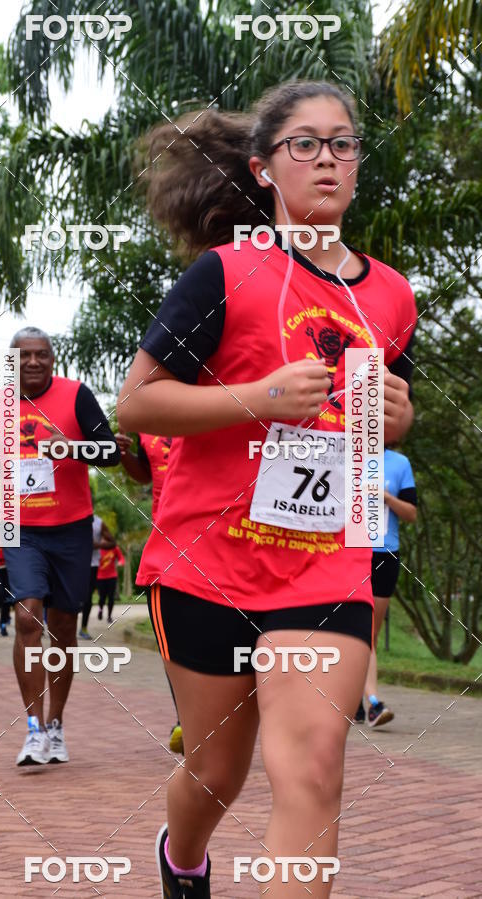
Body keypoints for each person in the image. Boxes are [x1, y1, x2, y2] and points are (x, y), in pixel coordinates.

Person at [117, 81, 416, 898]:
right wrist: (258, 397)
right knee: (216, 772)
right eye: (305, 144)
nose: (328, 159)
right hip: (209, 563)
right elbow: (137, 403)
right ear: (263, 168)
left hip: (326, 566)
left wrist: (397, 415)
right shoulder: (224, 273)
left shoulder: (390, 295)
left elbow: (381, 420)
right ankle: (182, 857)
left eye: (343, 143)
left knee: (314, 765)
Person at [0, 326, 120, 766]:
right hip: (22, 529)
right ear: (11, 362)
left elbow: (109, 452)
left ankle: (56, 725)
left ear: (53, 359)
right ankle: (33, 730)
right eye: (24, 355)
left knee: (64, 628)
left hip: (71, 529)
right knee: (27, 615)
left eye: (41, 354)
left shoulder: (76, 395)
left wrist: (74, 448)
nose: (33, 362)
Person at [115, 432, 183, 754]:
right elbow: (145, 472)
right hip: (168, 542)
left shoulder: (219, 411)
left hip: (222, 537)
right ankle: (186, 719)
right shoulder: (147, 425)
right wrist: (124, 454)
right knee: (175, 638)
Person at [355, 446, 417, 727]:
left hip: (385, 555)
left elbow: (411, 514)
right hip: (349, 552)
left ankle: (360, 699)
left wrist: (387, 497)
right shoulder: (347, 454)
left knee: (370, 633)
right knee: (358, 630)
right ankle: (373, 703)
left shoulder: (400, 463)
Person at [78, 514, 116, 640]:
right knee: (72, 598)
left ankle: (83, 628)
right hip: (74, 563)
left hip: (92, 565)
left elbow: (113, 543)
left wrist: (97, 545)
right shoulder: (73, 517)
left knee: (88, 598)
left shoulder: (99, 522)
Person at [96, 543, 125, 624]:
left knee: (111, 597)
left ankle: (109, 616)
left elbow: (121, 558)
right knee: (102, 598)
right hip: (100, 577)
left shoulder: (114, 548)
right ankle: (100, 610)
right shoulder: (98, 548)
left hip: (112, 577)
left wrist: (120, 563)